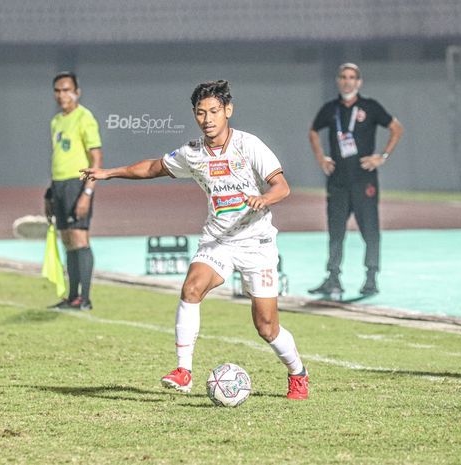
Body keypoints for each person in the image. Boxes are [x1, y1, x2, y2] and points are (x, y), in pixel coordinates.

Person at [81, 80, 308, 400]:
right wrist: (109, 172)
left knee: (266, 327)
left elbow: (281, 186)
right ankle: (183, 370)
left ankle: (298, 372)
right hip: (218, 241)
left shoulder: (249, 145)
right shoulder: (193, 153)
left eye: (214, 111)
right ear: (194, 115)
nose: (208, 119)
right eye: (201, 113)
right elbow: (152, 167)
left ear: (228, 111)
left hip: (257, 243)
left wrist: (264, 199)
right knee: (191, 287)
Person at [308, 63, 403, 298]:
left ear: (359, 82)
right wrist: (321, 158)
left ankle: (371, 278)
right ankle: (333, 277)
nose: (347, 81)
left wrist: (382, 156)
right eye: (343, 76)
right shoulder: (331, 109)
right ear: (338, 81)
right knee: (336, 231)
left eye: (352, 77)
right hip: (338, 181)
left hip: (364, 181)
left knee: (370, 230)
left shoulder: (370, 107)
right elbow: (313, 131)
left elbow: (396, 128)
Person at [45, 72, 103, 310]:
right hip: (59, 185)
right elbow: (59, 158)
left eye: (67, 90)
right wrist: (50, 193)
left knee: (80, 238)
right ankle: (72, 297)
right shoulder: (56, 122)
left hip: (77, 184)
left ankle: (85, 299)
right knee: (68, 240)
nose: (62, 95)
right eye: (58, 91)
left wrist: (86, 194)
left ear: (77, 92)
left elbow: (96, 158)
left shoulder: (84, 117)